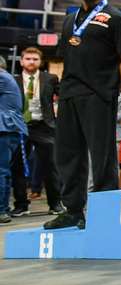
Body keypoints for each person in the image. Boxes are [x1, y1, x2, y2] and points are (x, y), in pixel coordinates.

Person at [45, 0, 121, 229]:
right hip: (70, 95)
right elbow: (65, 57)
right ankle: (73, 210)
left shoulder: (116, 18)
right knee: (68, 155)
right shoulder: (71, 19)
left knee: (102, 154)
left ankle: (103, 210)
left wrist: (111, 91)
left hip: (99, 96)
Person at [9, 47, 62, 217]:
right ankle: (21, 204)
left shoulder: (50, 79)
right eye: (28, 59)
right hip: (20, 127)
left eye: (35, 59)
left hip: (44, 127)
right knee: (18, 167)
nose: (31, 62)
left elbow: (63, 96)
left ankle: (55, 203)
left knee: (51, 167)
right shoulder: (13, 80)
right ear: (21, 61)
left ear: (41, 62)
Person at [0, 55, 27, 224]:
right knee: (4, 171)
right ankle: (4, 209)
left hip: (5, 130)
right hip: (11, 130)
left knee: (1, 171)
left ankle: (2, 210)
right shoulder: (7, 78)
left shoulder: (2, 77)